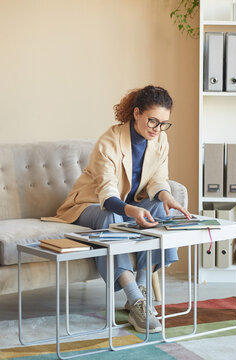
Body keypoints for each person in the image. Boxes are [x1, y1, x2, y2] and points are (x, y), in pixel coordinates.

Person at [45, 85, 191, 333]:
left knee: (157, 206)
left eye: (164, 123)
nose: (157, 129)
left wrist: (167, 197)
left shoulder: (160, 139)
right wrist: (132, 211)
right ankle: (135, 300)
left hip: (129, 203)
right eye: (152, 121)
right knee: (111, 216)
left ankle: (142, 291)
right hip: (88, 205)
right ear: (136, 113)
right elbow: (108, 194)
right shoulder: (109, 142)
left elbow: (157, 180)